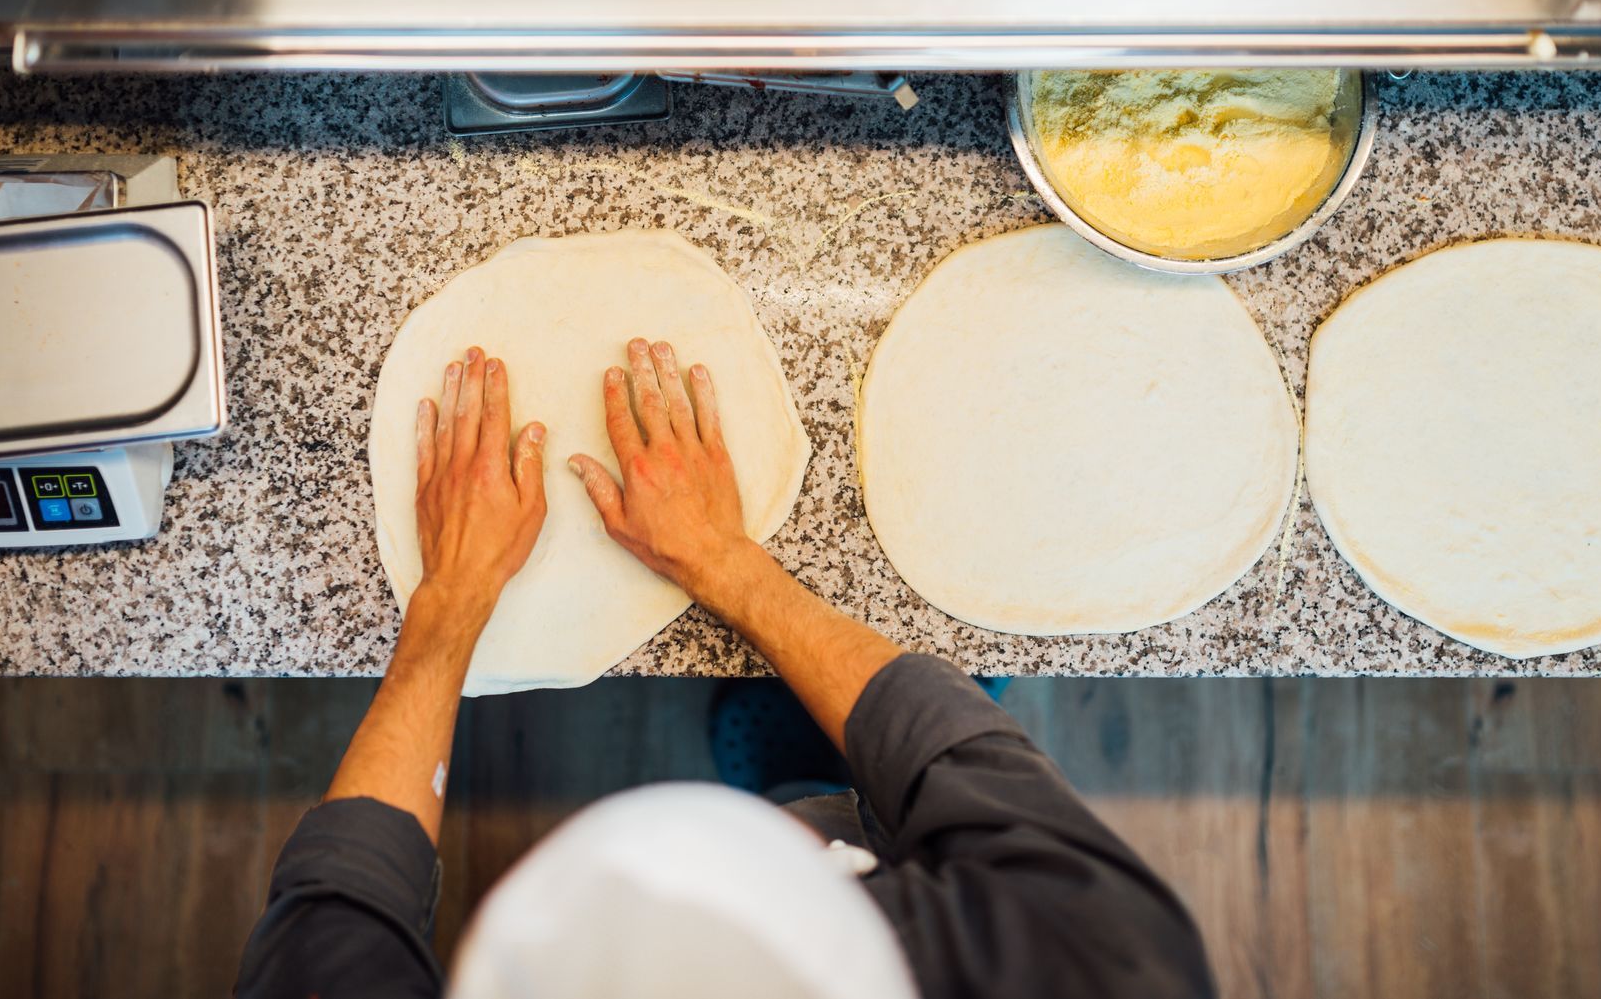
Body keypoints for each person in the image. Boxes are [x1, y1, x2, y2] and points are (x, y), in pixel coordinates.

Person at [236, 340, 1214, 999]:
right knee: (890, 790)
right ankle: (825, 796)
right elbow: (947, 748)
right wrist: (722, 560)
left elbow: (349, 885)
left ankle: (813, 790)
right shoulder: (1100, 956)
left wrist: (450, 600)